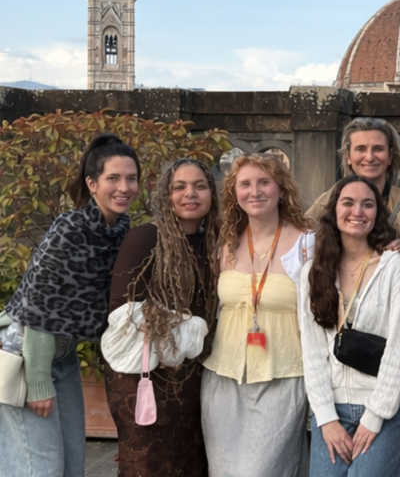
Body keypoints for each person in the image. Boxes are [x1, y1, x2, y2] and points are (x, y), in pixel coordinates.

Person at [0, 133, 140, 477]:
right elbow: (39, 307)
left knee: (73, 463)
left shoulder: (121, 229)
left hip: (62, 358)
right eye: (113, 178)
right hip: (25, 355)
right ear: (92, 183)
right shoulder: (71, 228)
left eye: (132, 178)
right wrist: (37, 382)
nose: (124, 187)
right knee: (39, 468)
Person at [104, 158, 221, 476]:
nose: (190, 194)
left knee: (191, 462)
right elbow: (123, 310)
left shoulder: (218, 242)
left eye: (200, 185)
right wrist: (187, 331)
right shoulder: (145, 238)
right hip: (146, 374)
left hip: (196, 377)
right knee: (149, 464)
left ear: (212, 192)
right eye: (179, 187)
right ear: (165, 195)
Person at [201, 153, 316, 477]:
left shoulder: (307, 244)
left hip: (282, 377)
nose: (255, 191)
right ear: (234, 193)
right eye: (245, 184)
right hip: (223, 378)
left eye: (264, 182)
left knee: (262, 471)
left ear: (281, 189)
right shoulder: (225, 243)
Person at [300, 175, 400, 477]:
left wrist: (375, 416)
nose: (358, 212)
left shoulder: (394, 267)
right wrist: (325, 418)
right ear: (333, 210)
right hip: (333, 407)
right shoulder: (313, 272)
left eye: (368, 205)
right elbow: (312, 353)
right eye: (348, 203)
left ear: (378, 214)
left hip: (386, 405)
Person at [306, 117, 400, 245]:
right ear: (348, 156)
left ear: (390, 156)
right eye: (361, 149)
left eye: (378, 149)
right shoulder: (324, 204)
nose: (370, 157)